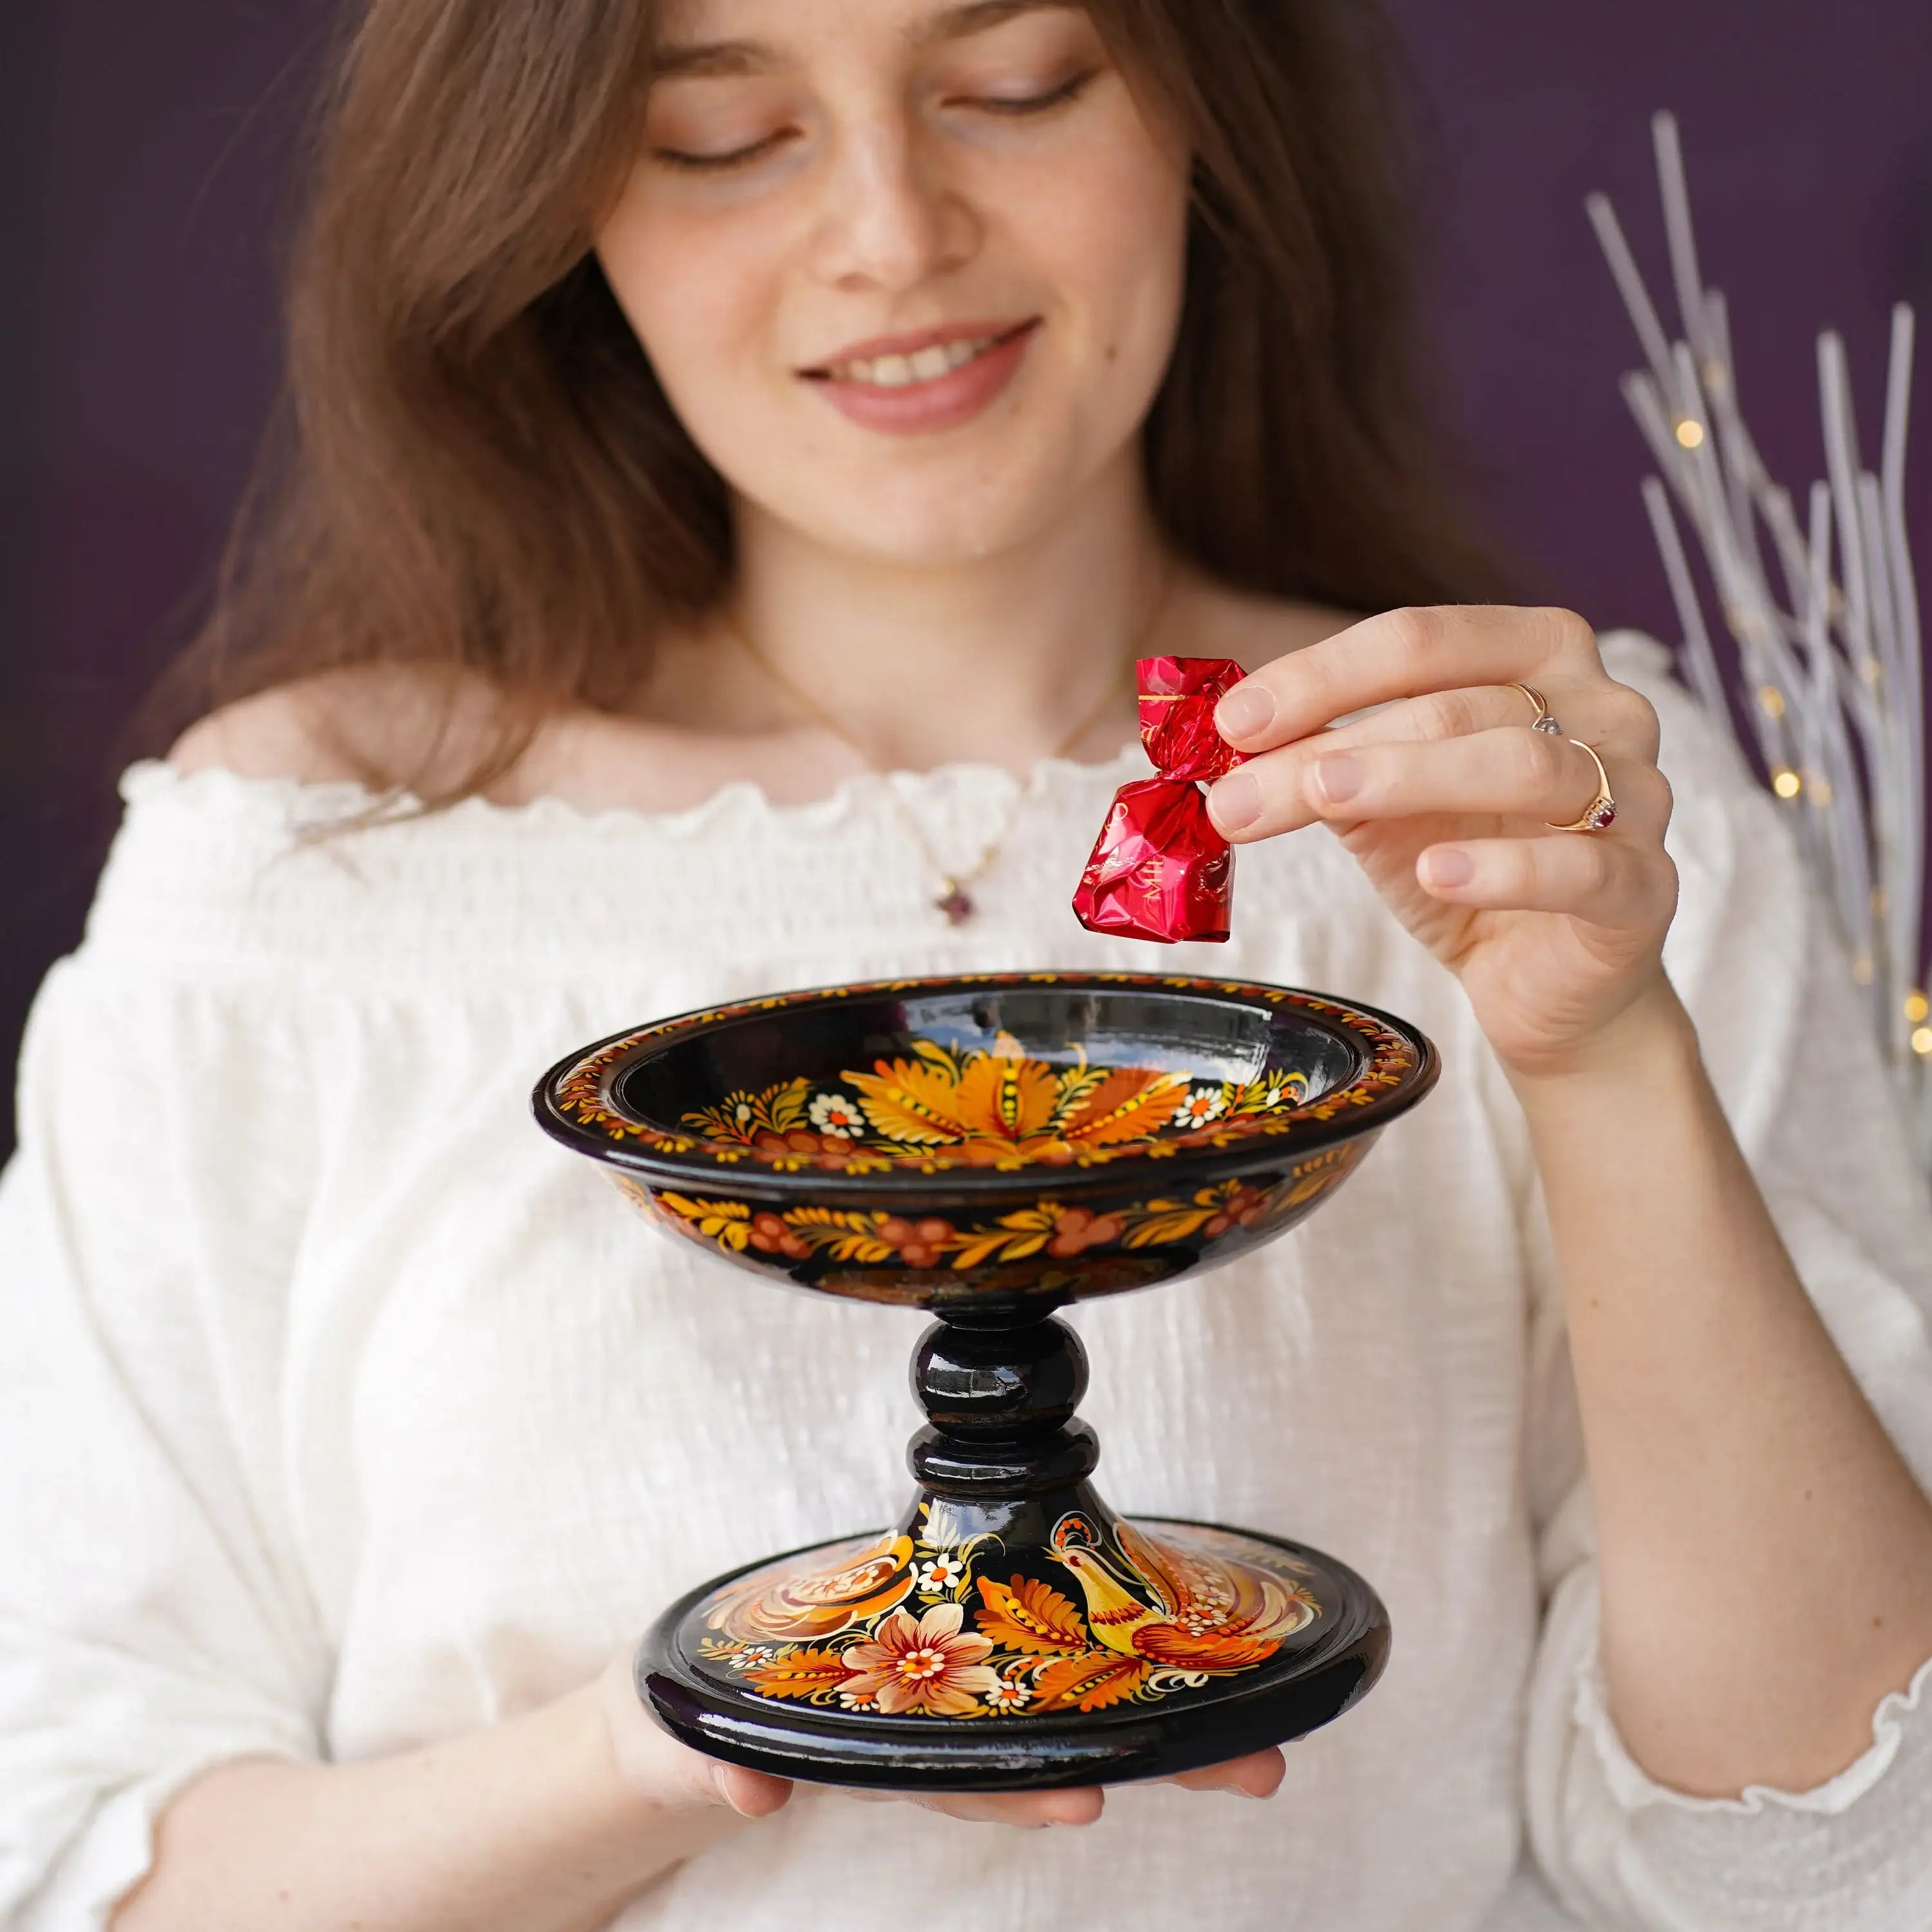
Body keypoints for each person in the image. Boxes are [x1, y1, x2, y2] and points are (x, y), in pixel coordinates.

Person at [5, 0, 1931, 1926]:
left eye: (1012, 88)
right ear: (555, 202)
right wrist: (685, 1741)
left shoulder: (1541, 823)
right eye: (720, 136)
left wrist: (1605, 1060)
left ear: (1203, 108)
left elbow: (1839, 1862)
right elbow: (82, 1854)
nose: (893, 232)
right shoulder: (300, 892)